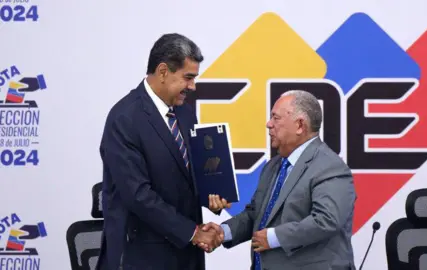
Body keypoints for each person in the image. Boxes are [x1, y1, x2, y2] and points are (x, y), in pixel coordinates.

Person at [96, 33, 230, 270]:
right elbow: (138, 195)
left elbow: (188, 175)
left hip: (185, 255)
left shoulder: (186, 113)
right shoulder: (124, 118)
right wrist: (192, 232)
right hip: (142, 257)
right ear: (163, 72)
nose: (193, 86)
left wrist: (212, 198)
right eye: (188, 77)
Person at [203, 90, 357, 270]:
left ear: (300, 125)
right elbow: (256, 215)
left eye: (276, 118)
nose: (269, 124)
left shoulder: (329, 166)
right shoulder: (273, 166)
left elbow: (327, 220)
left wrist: (274, 237)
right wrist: (223, 232)